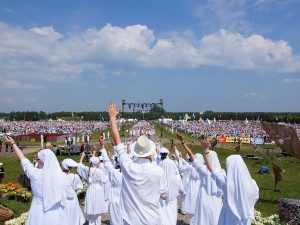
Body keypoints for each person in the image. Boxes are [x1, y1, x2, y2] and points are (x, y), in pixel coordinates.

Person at [108, 101, 168, 225]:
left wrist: (113, 118)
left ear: (135, 151)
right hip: (153, 219)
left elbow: (118, 142)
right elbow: (164, 196)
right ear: (151, 151)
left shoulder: (128, 166)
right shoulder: (158, 171)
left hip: (131, 220)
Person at [4, 136, 72, 225]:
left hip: (38, 210)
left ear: (43, 161)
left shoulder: (36, 174)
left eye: (38, 159)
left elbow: (24, 160)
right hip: (57, 210)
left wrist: (13, 144)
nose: (36, 161)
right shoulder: (62, 176)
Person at [200, 139, 259, 225]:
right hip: (245, 220)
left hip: (227, 220)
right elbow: (255, 198)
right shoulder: (253, 184)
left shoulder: (226, 184)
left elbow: (210, 167)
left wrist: (206, 150)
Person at [176, 132, 223, 225]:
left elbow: (192, 156)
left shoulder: (204, 170)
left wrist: (183, 142)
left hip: (205, 200)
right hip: (217, 201)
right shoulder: (222, 173)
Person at [77, 151, 108, 225]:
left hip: (90, 188)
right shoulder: (100, 171)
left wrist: (81, 157)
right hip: (98, 188)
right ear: (96, 163)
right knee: (98, 205)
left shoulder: (88, 169)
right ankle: (98, 222)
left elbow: (79, 166)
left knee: (91, 205)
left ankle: (91, 222)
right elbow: (105, 180)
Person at [99, 136, 123, 225]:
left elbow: (106, 161)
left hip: (113, 196)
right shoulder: (126, 173)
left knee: (114, 216)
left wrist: (103, 147)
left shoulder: (113, 171)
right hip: (122, 197)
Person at [158, 147, 185, 225]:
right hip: (172, 191)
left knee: (162, 211)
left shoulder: (158, 163)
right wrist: (181, 189)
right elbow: (177, 177)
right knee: (172, 212)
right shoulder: (172, 163)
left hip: (162, 191)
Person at [61, 158, 86, 225]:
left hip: (63, 197)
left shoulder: (60, 176)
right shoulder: (75, 176)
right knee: (73, 212)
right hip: (72, 197)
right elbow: (80, 187)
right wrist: (73, 188)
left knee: (65, 212)